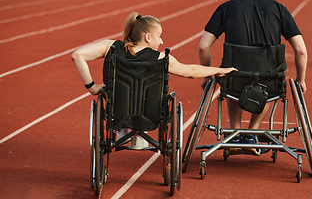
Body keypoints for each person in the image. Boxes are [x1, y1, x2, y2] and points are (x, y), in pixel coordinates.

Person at [71, 12, 236, 149]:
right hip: (151, 115)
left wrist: (92, 87)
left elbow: (77, 55)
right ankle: (137, 133)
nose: (162, 41)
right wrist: (220, 70)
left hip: (117, 111)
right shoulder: (162, 58)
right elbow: (191, 71)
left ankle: (124, 130)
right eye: (160, 36)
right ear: (148, 37)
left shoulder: (110, 47)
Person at [198, 0, 307, 155]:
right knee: (272, 79)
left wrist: (205, 75)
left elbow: (203, 46)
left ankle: (235, 132)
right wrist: (301, 79)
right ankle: (253, 131)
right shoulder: (280, 9)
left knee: (231, 74)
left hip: (233, 79)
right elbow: (301, 51)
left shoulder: (226, 8)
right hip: (269, 79)